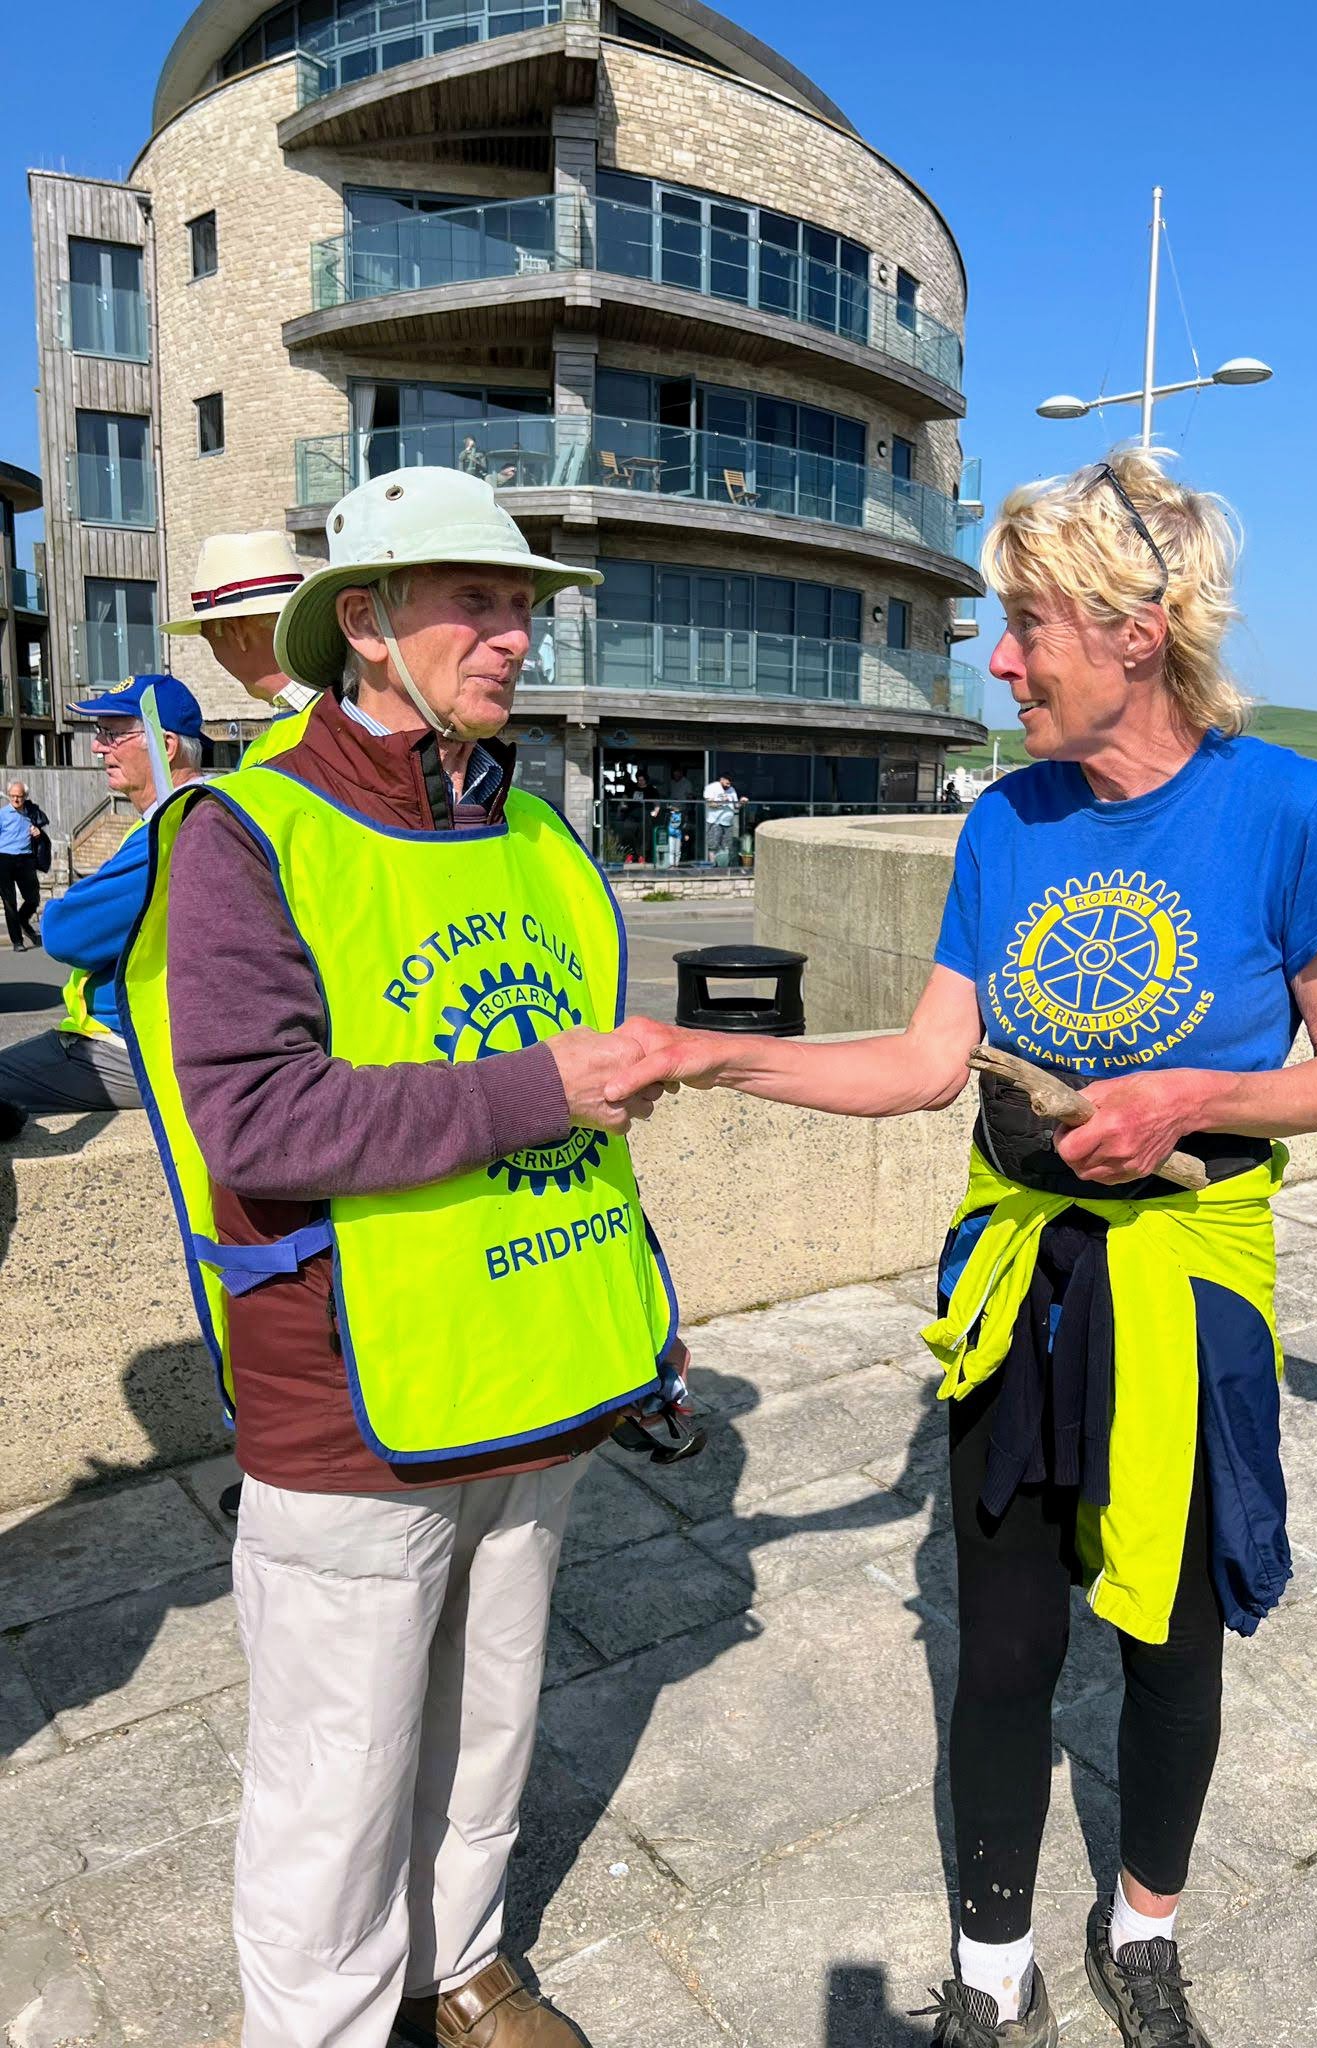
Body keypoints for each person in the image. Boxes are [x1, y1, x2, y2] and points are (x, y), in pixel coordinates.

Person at [605, 449, 1317, 2048]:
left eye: (1028, 624)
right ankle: (988, 1976)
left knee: (1170, 1636)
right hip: (1017, 1278)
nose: (1000, 660)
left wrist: (1195, 1097)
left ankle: (1146, 1931)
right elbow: (920, 1061)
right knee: (1006, 1639)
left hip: (1191, 1278)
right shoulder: (1004, 826)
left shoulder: (1294, 809)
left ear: (1137, 628)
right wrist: (701, 1058)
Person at [118, 467, 680, 2048]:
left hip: (543, 1360)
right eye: (476, 603)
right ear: (364, 623)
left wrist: (642, 1299)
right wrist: (534, 1089)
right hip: (352, 1400)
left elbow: (593, 1114)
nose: (514, 636)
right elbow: (256, 1120)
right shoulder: (246, 831)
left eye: (522, 607)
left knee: (492, 1717)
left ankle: (464, 1962)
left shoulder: (538, 834)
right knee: (335, 1777)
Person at [0, 679, 205, 1135]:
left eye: (114, 734)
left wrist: (70, 902)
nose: (98, 747)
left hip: (134, 1046)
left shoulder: (172, 827)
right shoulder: (199, 811)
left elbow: (67, 932)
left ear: (166, 745)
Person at [163, 530, 317, 765]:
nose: (216, 656)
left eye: (209, 638)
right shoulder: (363, 702)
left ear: (235, 632)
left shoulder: (264, 752)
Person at [1, 780, 46, 949]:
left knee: (33, 897)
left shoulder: (32, 814)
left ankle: (22, 919)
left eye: (19, 796)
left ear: (25, 797)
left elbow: (41, 834)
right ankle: (17, 941)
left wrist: (38, 833)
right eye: (12, 796)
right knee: (9, 901)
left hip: (25, 858)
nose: (16, 800)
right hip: (4, 858)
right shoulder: (2, 814)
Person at [702, 769, 740, 864]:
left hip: (728, 822)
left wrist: (742, 802)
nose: (729, 785)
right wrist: (723, 802)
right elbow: (710, 804)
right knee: (713, 845)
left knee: (727, 845)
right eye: (727, 783)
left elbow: (736, 805)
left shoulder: (732, 790)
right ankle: (713, 865)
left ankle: (724, 866)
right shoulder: (712, 787)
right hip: (715, 821)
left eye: (730, 783)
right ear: (722, 779)